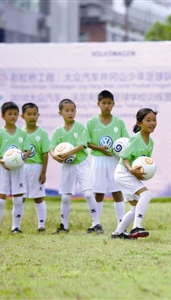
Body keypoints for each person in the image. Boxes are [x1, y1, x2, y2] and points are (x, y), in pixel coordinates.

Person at [50, 98, 102, 234]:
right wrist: (55, 156)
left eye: (72, 110)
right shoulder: (58, 131)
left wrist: (67, 153)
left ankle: (96, 224)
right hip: (67, 167)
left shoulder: (79, 127)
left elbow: (81, 145)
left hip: (81, 164)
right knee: (65, 197)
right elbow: (52, 148)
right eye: (66, 110)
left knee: (89, 194)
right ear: (60, 112)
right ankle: (64, 226)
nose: (70, 113)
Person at [86, 90, 130, 230]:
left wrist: (119, 150)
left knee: (116, 191)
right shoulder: (92, 122)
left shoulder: (119, 122)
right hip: (98, 159)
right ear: (98, 104)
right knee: (98, 191)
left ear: (113, 104)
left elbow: (126, 142)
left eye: (109, 103)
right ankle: (96, 223)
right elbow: (86, 142)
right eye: (103, 103)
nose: (106, 106)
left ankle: (121, 224)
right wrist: (100, 148)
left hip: (114, 160)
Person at [110, 108, 157, 239]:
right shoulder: (135, 139)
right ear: (139, 123)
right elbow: (123, 156)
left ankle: (118, 233)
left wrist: (145, 172)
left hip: (130, 173)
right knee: (146, 195)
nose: (152, 123)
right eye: (148, 120)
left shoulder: (151, 142)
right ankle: (136, 227)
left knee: (135, 208)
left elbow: (144, 162)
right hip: (124, 172)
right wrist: (131, 170)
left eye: (154, 120)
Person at [0, 101, 31, 234]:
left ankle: (16, 227)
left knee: (18, 199)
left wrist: (23, 155)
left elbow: (28, 150)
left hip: (18, 169)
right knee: (0, 199)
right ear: (3, 116)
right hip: (3, 168)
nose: (13, 116)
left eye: (15, 114)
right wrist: (0, 160)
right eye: (10, 114)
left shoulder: (22, 133)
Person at [21, 102, 50, 233]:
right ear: (22, 116)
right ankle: (16, 225)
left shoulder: (42, 133)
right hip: (22, 168)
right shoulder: (19, 133)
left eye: (34, 114)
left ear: (38, 115)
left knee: (38, 197)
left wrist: (43, 172)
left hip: (36, 168)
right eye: (29, 114)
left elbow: (45, 154)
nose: (32, 117)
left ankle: (41, 225)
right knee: (20, 196)